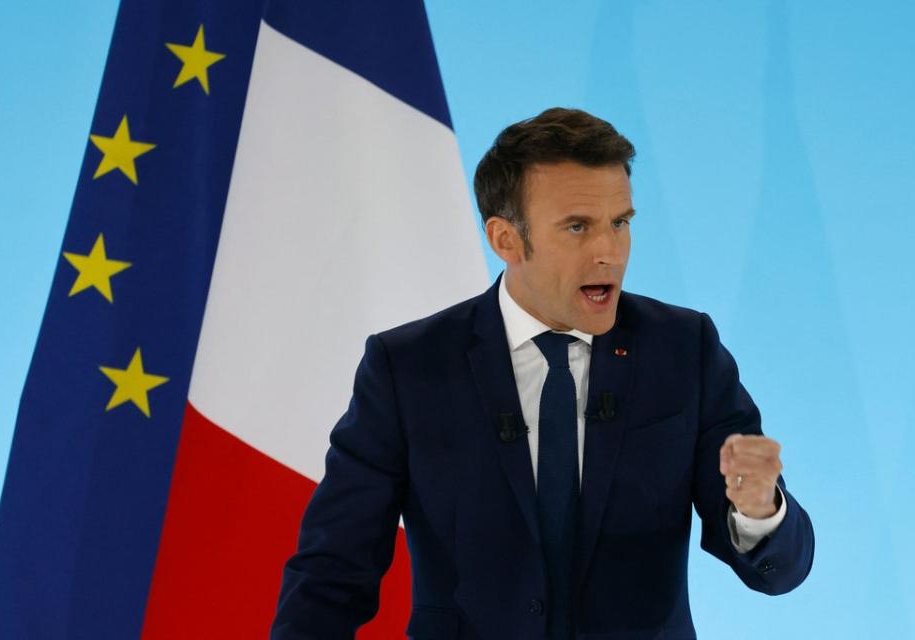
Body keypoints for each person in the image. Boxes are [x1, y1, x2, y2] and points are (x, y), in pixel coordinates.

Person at [270, 108, 814, 639]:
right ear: (506, 239)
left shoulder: (683, 351)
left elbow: (779, 570)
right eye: (577, 227)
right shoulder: (410, 368)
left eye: (620, 223)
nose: (609, 252)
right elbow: (333, 571)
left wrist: (759, 510)